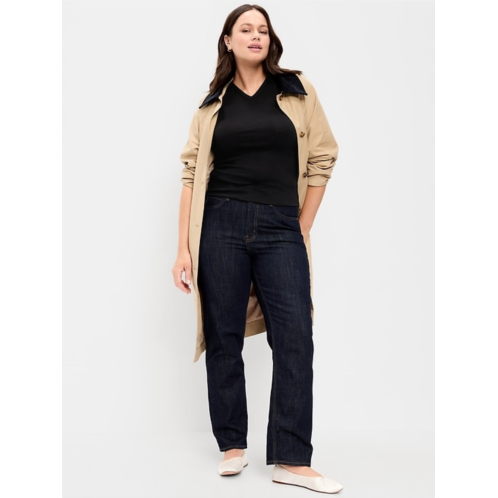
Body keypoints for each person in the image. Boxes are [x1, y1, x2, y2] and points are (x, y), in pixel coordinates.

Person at [172, 4, 342, 494]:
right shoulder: (211, 106)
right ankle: (232, 444)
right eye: (245, 29)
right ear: (228, 41)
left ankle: (291, 458)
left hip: (280, 224)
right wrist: (183, 249)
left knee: (295, 337)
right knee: (223, 335)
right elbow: (191, 174)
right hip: (219, 224)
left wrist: (300, 226)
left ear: (271, 40)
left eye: (262, 30)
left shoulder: (297, 90)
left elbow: (323, 157)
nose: (255, 36)